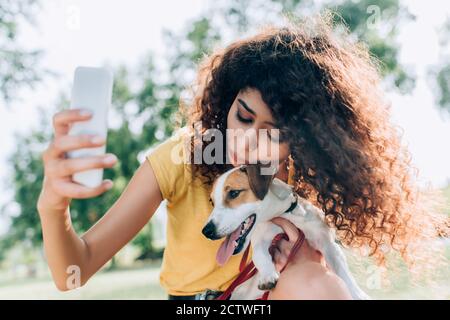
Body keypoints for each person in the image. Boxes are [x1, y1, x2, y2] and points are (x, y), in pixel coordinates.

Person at [37, 14, 446, 299]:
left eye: (272, 133)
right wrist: (53, 206)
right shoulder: (181, 157)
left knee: (313, 284)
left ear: (301, 143)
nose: (247, 141)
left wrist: (302, 254)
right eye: (243, 116)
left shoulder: (299, 182)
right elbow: (74, 273)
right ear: (226, 102)